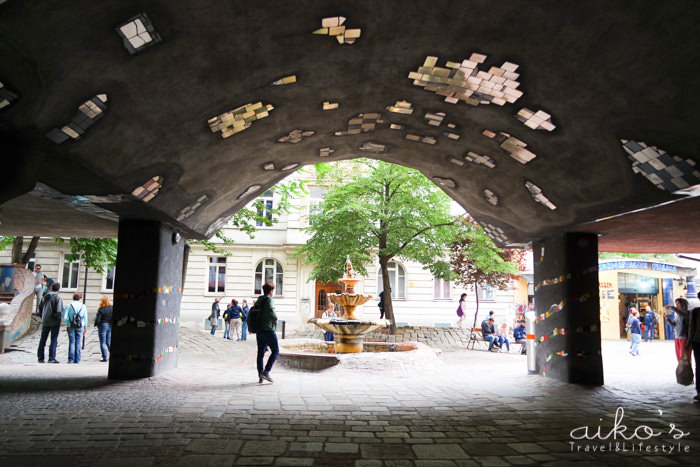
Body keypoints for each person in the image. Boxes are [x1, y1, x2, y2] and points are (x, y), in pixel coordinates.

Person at [255, 282, 279, 383]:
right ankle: (266, 371)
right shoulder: (269, 299)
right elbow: (271, 310)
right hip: (268, 330)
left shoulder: (259, 299)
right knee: (276, 351)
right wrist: (275, 318)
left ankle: (260, 374)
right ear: (271, 291)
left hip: (259, 330)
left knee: (260, 353)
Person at [37, 282, 63, 363]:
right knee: (54, 339)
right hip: (54, 321)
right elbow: (59, 310)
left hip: (45, 320)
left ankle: (40, 357)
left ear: (51, 287)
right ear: (58, 289)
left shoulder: (44, 297)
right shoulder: (58, 298)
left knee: (43, 339)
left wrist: (43, 316)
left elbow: (40, 308)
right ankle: (51, 358)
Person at [63, 292, 87, 363]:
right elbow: (85, 318)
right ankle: (77, 359)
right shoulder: (83, 306)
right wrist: (85, 326)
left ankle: (71, 359)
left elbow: (64, 317)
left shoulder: (69, 305)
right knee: (78, 341)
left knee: (72, 342)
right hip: (80, 326)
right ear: (80, 298)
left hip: (70, 325)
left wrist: (69, 322)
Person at [686, 292, 700, 402]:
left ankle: (699, 391)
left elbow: (691, 327)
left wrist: (689, 341)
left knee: (699, 366)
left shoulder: (696, 312)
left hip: (697, 341)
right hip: (697, 341)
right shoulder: (695, 312)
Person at [94, 295, 113, 362]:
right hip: (110, 325)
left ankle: (104, 357)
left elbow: (98, 319)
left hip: (102, 325)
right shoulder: (112, 308)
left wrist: (96, 324)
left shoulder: (101, 309)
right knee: (108, 342)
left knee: (102, 342)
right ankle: (112, 356)